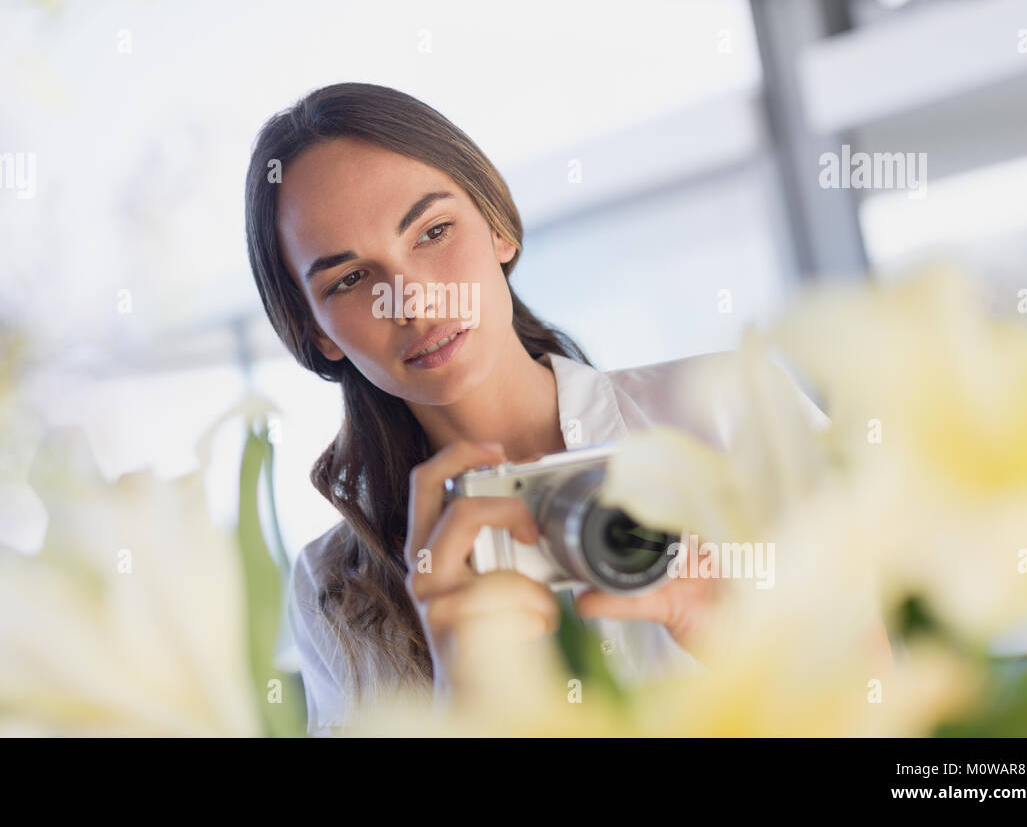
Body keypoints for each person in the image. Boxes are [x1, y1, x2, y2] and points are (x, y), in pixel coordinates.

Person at [244, 82, 859, 736]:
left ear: (499, 226)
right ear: (319, 333)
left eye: (434, 232)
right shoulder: (337, 587)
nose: (414, 304)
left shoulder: (731, 414)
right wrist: (463, 700)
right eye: (350, 279)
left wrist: (740, 645)